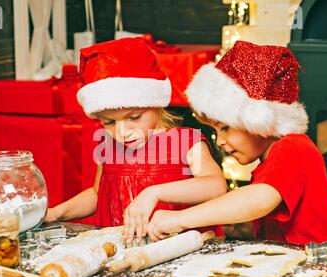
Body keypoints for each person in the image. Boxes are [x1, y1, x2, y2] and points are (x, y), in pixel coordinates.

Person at [147, 41, 327, 248]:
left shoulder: (293, 148)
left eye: (225, 128)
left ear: (257, 119)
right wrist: (249, 228)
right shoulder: (269, 160)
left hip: (322, 268)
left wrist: (181, 219)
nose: (220, 141)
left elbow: (257, 200)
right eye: (216, 132)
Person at [45, 37, 227, 243]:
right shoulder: (108, 146)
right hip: (122, 251)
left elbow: (215, 185)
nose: (122, 132)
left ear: (156, 104)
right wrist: (57, 213)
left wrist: (155, 193)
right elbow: (98, 194)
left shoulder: (186, 142)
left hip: (175, 251)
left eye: (134, 117)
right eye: (109, 122)